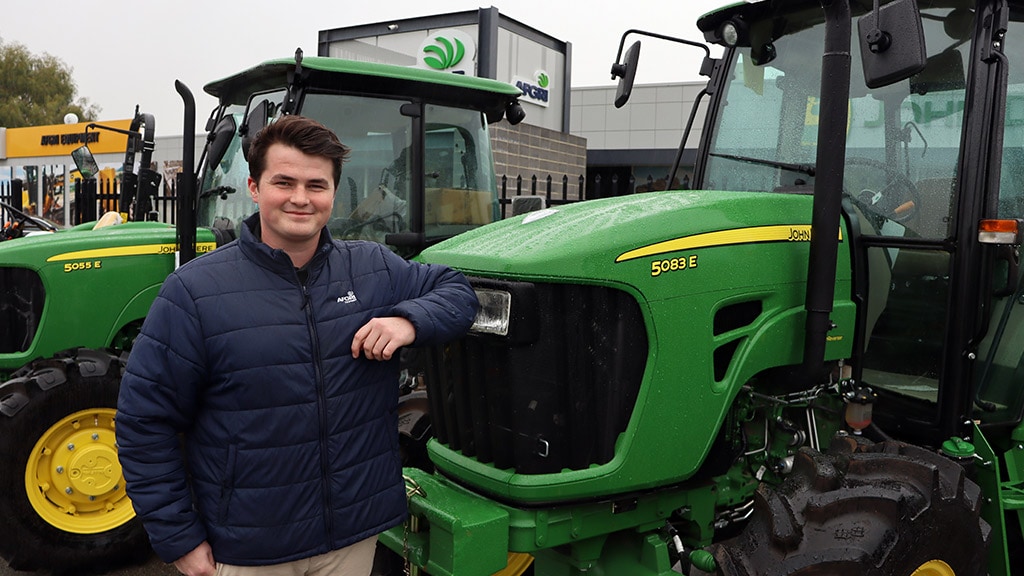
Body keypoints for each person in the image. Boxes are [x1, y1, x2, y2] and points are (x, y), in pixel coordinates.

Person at [116, 115, 479, 576]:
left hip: (352, 538)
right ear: (253, 186)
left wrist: (408, 320)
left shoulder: (373, 269)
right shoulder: (194, 292)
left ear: (333, 192)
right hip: (248, 550)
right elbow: (144, 423)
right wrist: (178, 539)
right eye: (283, 182)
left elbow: (457, 291)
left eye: (316, 184)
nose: (301, 198)